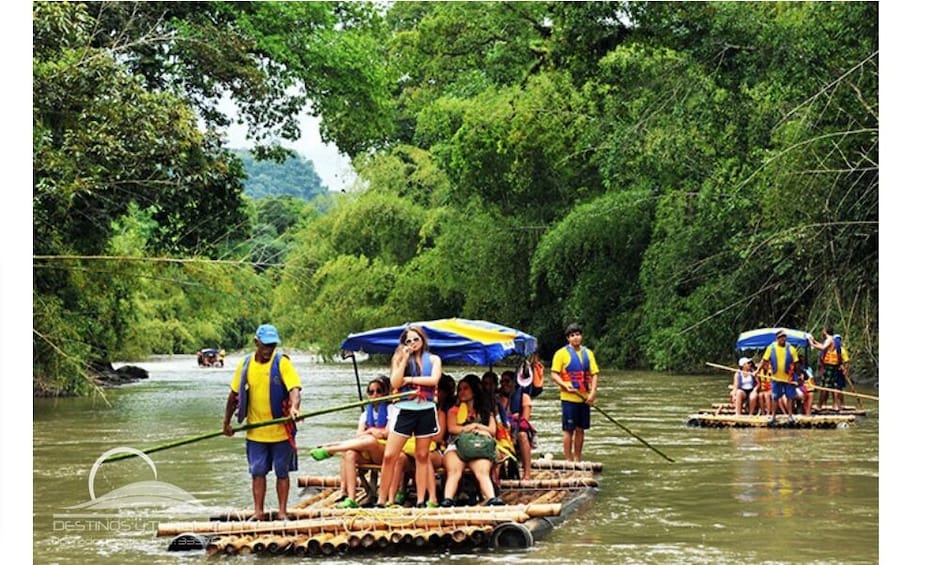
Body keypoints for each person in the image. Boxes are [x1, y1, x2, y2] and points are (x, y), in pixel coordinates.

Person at [222, 324, 302, 520]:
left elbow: (295, 389)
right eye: (265, 345)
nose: (268, 350)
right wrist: (226, 423)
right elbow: (233, 396)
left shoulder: (281, 363)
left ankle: (282, 512)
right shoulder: (245, 365)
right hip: (256, 433)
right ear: (256, 342)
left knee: (282, 472)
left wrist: (294, 408)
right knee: (258, 472)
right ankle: (259, 512)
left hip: (281, 430)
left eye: (272, 346)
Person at [376, 326, 442, 508]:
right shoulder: (399, 358)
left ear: (422, 339)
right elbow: (395, 382)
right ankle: (381, 500)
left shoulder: (434, 359)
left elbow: (433, 380)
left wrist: (410, 380)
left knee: (422, 455)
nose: (413, 343)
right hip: (405, 410)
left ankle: (421, 500)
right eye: (408, 341)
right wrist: (404, 359)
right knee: (390, 455)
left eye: (416, 339)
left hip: (426, 409)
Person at [309, 377, 391, 509]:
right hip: (367, 451)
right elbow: (359, 435)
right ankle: (351, 498)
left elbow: (386, 433)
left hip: (384, 453)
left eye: (378, 391)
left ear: (385, 393)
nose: (375, 395)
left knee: (370, 441)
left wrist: (371, 433)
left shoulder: (392, 409)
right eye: (371, 392)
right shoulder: (365, 414)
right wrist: (372, 432)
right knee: (349, 453)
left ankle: (331, 449)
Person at [440, 374, 504, 507]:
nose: (461, 392)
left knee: (482, 471)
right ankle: (448, 499)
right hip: (457, 447)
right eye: (460, 389)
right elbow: (452, 428)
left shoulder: (486, 411)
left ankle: (491, 498)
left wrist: (477, 426)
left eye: (465, 388)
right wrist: (468, 429)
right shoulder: (454, 410)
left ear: (474, 391)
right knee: (454, 471)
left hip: (479, 446)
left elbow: (492, 430)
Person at [550, 323, 599, 462]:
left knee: (580, 429)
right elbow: (554, 374)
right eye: (572, 336)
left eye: (577, 334)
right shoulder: (561, 354)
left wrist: (593, 393)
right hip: (568, 398)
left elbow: (594, 374)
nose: (576, 338)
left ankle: (577, 458)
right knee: (568, 430)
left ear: (581, 336)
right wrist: (564, 384)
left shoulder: (588, 353)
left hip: (584, 398)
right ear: (568, 338)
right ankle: (568, 459)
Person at [757, 329, 801, 423]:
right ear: (777, 338)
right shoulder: (771, 348)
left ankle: (790, 416)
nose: (783, 339)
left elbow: (797, 364)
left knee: (790, 396)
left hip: (788, 378)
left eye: (784, 337)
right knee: (775, 397)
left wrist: (799, 376)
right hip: (776, 378)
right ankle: (773, 416)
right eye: (781, 337)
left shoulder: (791, 349)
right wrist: (757, 370)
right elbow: (764, 360)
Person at [500, 369, 536, 480]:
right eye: (502, 382)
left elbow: (525, 420)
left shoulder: (524, 397)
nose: (504, 384)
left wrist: (512, 420)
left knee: (522, 435)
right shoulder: (498, 397)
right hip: (501, 428)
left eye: (507, 381)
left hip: (518, 429)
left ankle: (527, 474)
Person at [809, 326, 851, 412]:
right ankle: (835, 405)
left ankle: (820, 406)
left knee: (825, 386)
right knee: (834, 386)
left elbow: (823, 348)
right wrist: (814, 341)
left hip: (829, 366)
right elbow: (823, 346)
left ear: (825, 331)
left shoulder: (829, 339)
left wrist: (812, 344)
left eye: (823, 331)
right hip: (834, 366)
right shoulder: (833, 340)